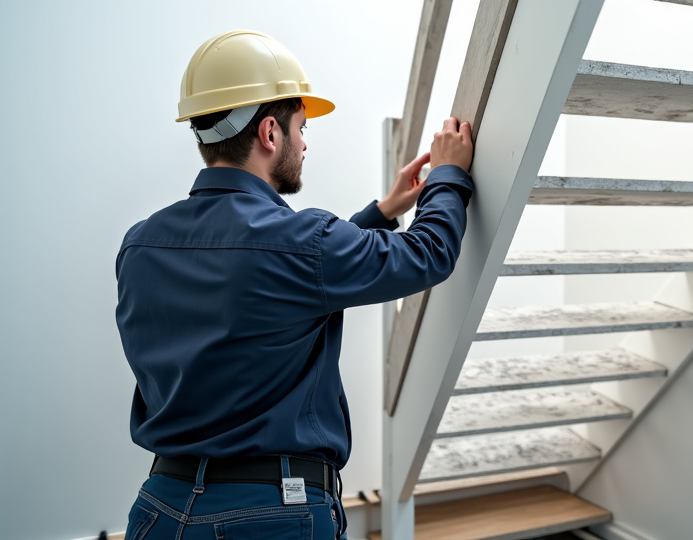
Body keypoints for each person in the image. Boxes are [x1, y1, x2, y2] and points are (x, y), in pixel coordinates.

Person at [116, 30, 474, 540]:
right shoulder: (301, 241)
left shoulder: (140, 244)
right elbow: (428, 255)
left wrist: (382, 211)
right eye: (301, 128)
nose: (305, 143)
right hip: (267, 515)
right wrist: (447, 176)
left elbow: (280, 280)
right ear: (269, 132)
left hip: (158, 510)